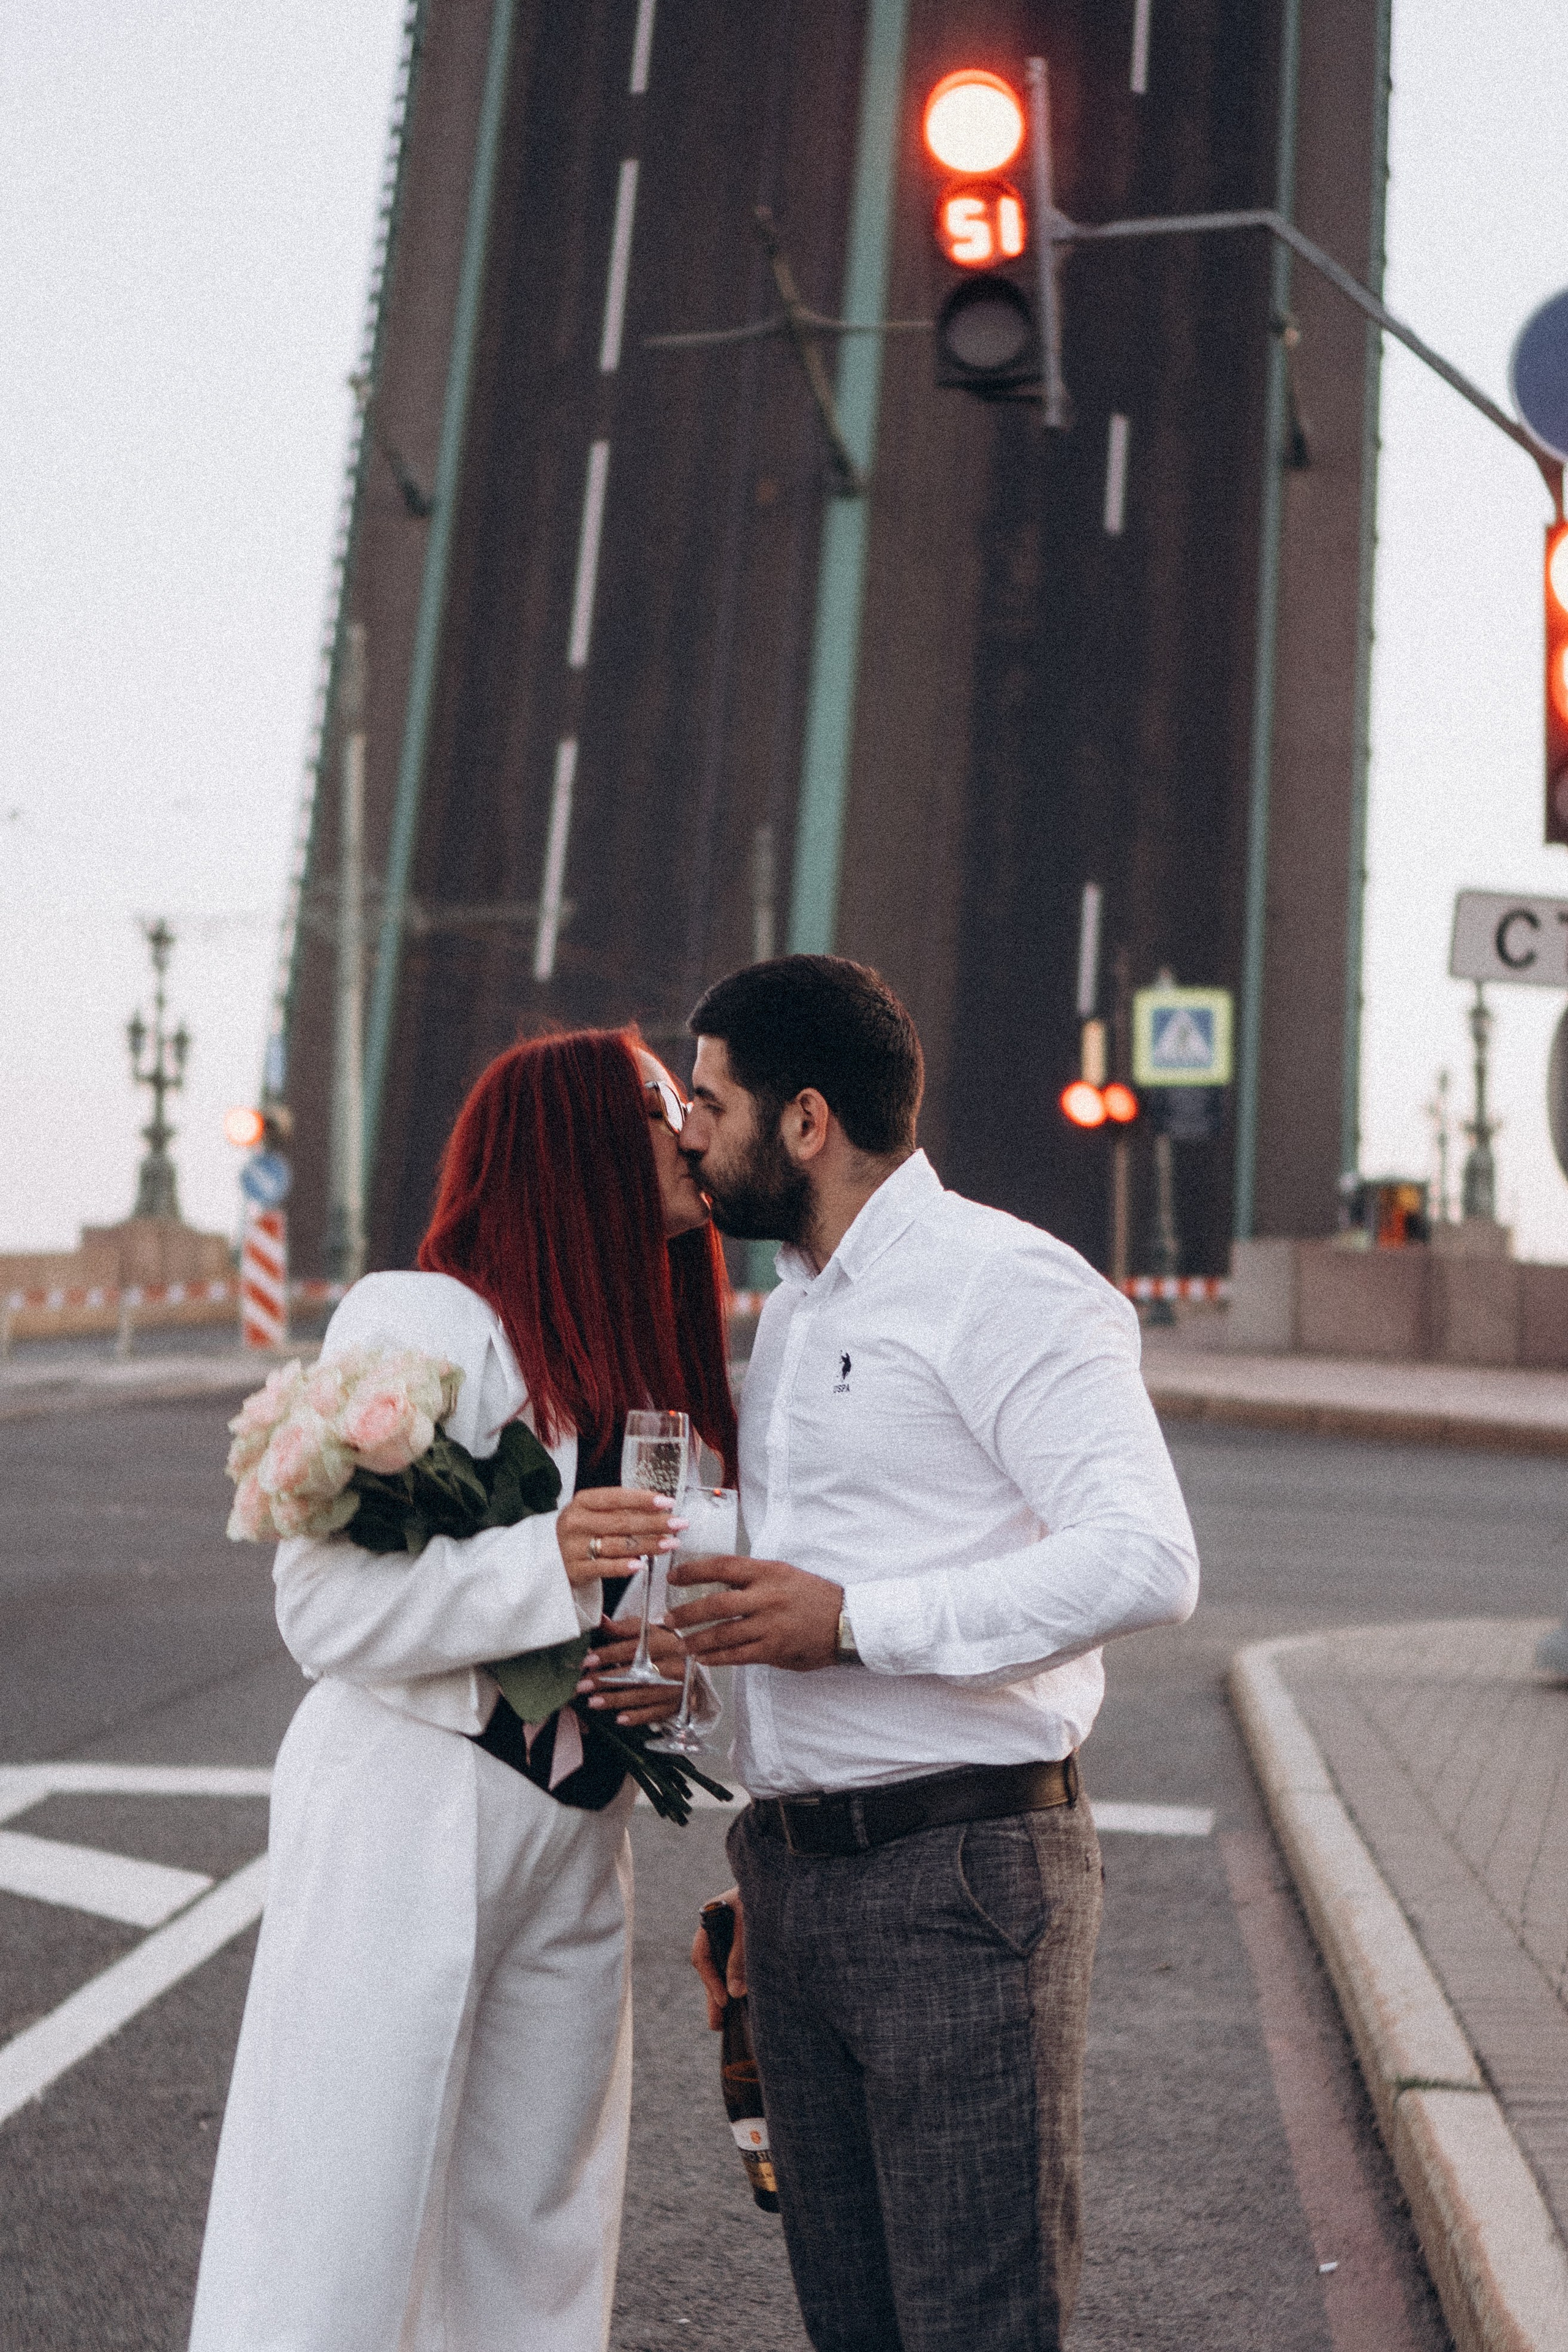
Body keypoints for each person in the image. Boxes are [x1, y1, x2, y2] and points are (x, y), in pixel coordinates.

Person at [671, 956, 1199, 2352]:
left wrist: (848, 1623)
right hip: (794, 1883)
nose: (686, 1133)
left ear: (802, 1122)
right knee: (852, 2328)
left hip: (957, 1885)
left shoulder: (1003, 1283)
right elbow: (827, 1529)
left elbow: (1144, 1557)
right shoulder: (794, 1306)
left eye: (708, 1102)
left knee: (974, 2326)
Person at [190, 1029, 736, 2352]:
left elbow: (680, 1612)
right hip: (414, 1805)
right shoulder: (427, 1322)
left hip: (575, 1831)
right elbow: (319, 1607)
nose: (694, 1127)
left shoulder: (659, 1372)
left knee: (540, 2223)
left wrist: (683, 1689)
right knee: (340, 2209)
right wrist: (537, 1559)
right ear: (580, 1143)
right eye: (665, 1102)